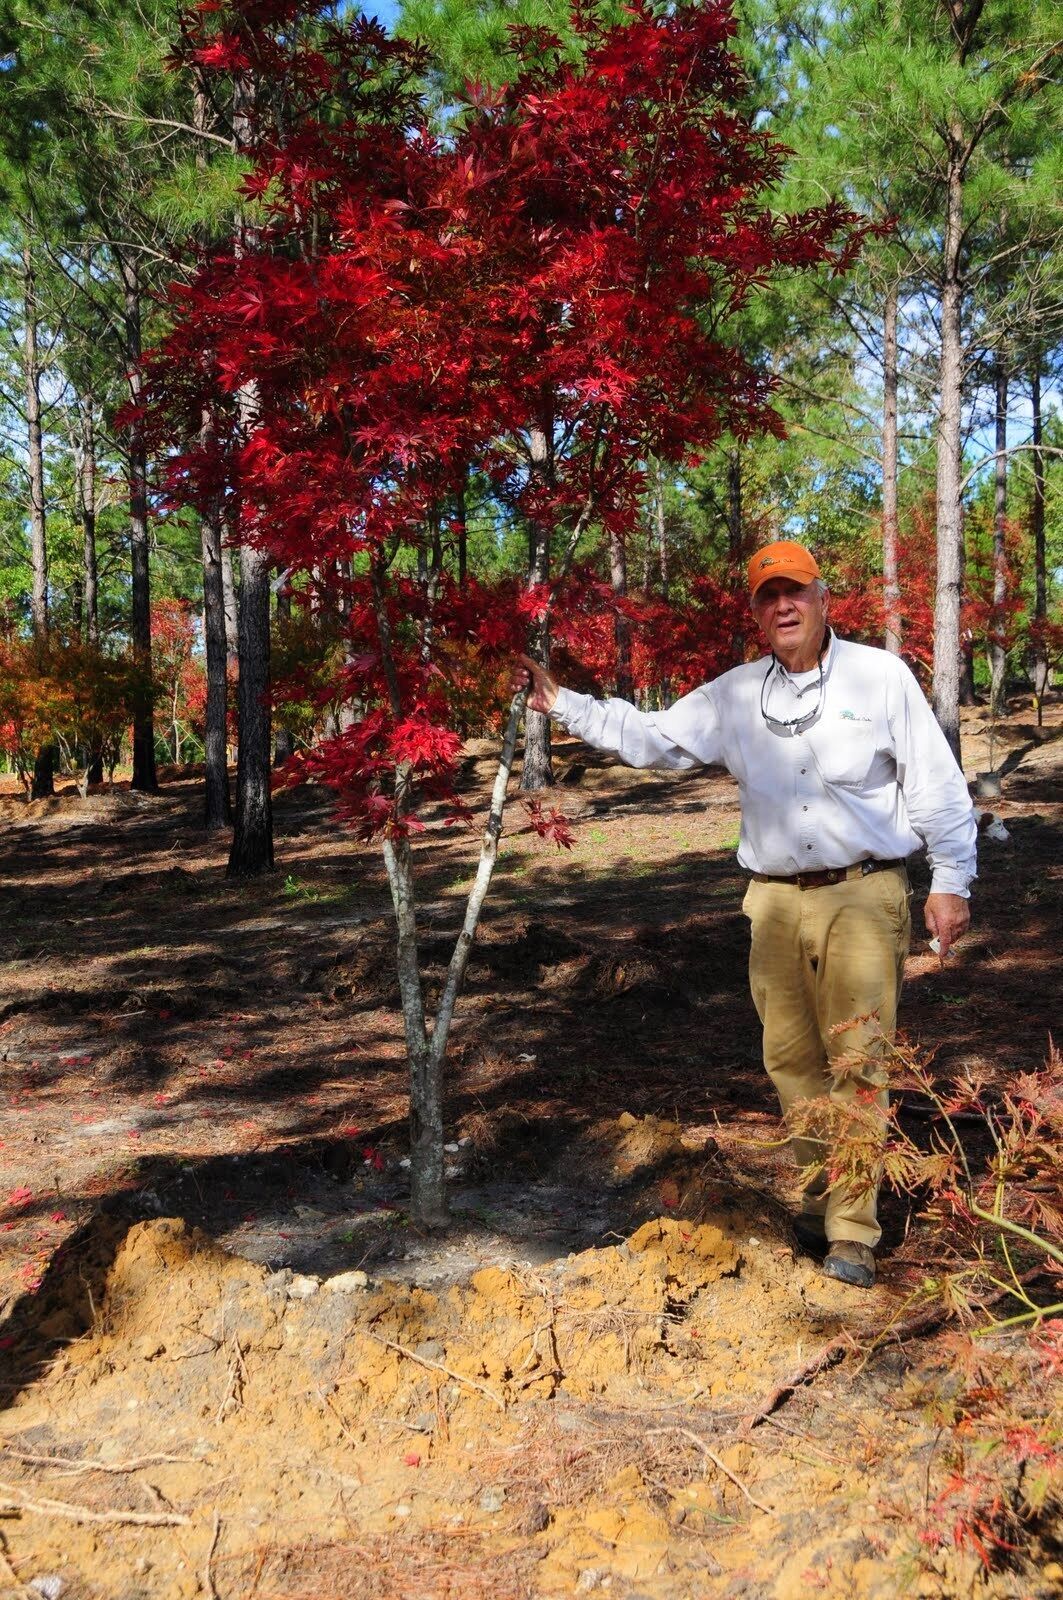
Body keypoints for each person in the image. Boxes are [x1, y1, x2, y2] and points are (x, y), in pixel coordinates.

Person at [515, 540, 976, 1288]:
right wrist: (561, 703)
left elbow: (934, 784)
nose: (783, 606)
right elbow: (654, 739)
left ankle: (853, 1233)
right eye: (768, 597)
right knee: (790, 1059)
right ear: (757, 614)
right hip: (771, 902)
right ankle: (825, 1200)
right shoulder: (734, 694)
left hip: (863, 891)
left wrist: (951, 878)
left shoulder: (879, 677)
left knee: (858, 1061)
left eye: (795, 592)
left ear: (824, 599)